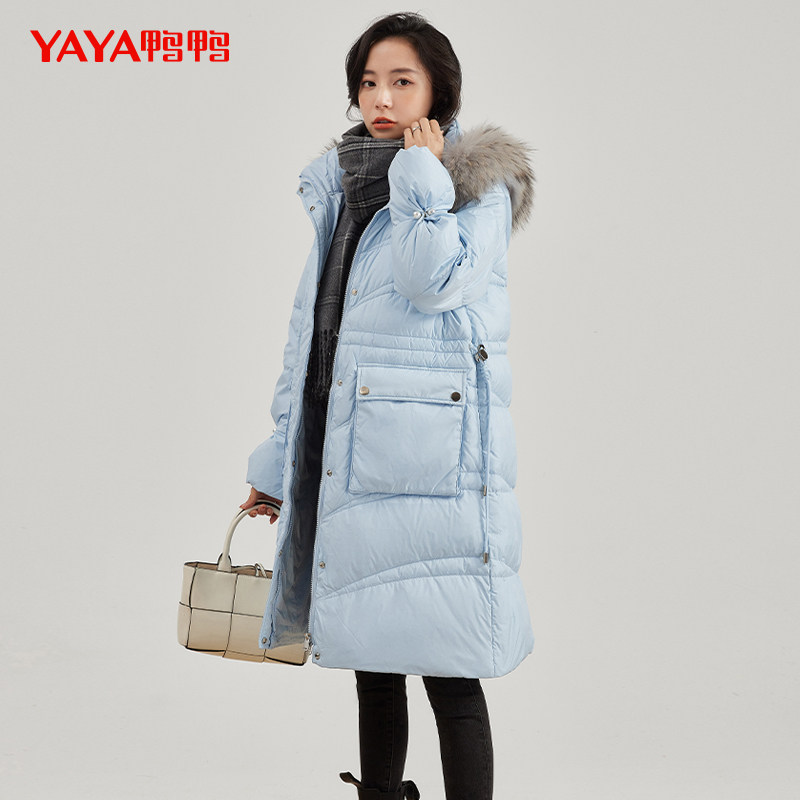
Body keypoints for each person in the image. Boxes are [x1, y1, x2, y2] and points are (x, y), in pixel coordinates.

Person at [240, 12, 535, 800]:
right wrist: (275, 464)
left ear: (440, 92)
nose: (381, 98)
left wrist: (421, 176)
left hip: (433, 467)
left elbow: (431, 281)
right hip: (355, 454)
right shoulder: (341, 188)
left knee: (451, 673)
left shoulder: (478, 187)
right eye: (368, 82)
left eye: (402, 81)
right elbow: (311, 340)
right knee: (372, 668)